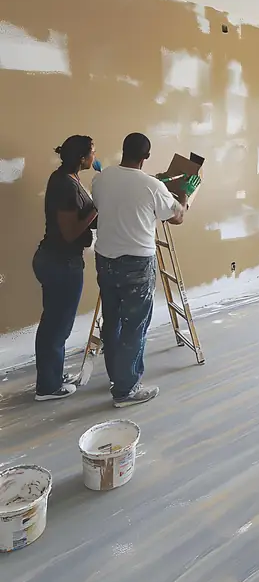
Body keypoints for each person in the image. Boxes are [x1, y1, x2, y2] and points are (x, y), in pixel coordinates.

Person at [91, 132, 200, 408]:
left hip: (105, 260)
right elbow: (177, 216)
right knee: (134, 325)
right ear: (146, 156)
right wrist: (185, 193)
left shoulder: (101, 179)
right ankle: (126, 390)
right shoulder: (153, 186)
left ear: (123, 150)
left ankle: (117, 377)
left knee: (112, 321)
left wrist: (156, 185)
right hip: (136, 264)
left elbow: (119, 198)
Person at [33, 135, 98, 401]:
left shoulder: (68, 178)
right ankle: (47, 388)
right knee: (57, 326)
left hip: (56, 260)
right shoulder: (65, 185)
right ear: (82, 158)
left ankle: (52, 377)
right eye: (92, 152)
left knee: (54, 322)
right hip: (60, 263)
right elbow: (70, 233)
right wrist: (96, 209)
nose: (95, 156)